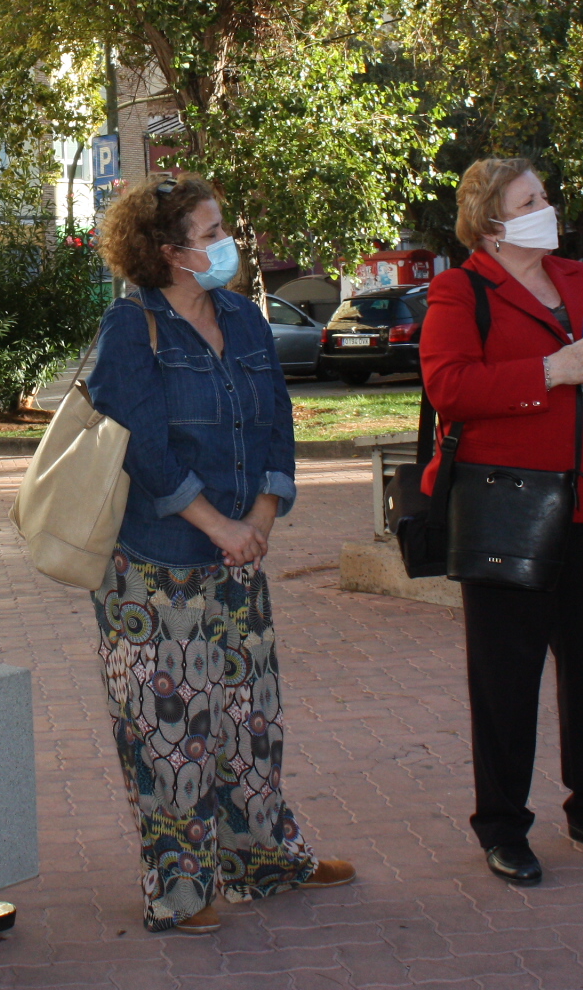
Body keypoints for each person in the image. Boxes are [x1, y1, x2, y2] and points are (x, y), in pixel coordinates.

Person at [84, 178, 355, 937]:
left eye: (221, 227)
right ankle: (180, 889)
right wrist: (218, 526)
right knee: (170, 732)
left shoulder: (243, 318)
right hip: (154, 566)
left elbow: (277, 425)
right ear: (169, 253)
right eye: (210, 233)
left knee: (250, 720)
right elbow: (145, 450)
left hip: (238, 560)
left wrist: (260, 517)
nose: (226, 242)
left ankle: (265, 862)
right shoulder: (131, 326)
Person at [418, 158, 583, 886]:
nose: (547, 208)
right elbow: (448, 386)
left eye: (544, 197)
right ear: (492, 223)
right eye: (531, 201)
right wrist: (550, 373)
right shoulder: (460, 289)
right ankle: (502, 824)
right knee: (506, 677)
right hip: (511, 511)